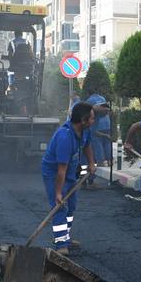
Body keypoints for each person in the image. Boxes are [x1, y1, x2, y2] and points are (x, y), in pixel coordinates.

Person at [40, 100, 97, 254]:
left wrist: (91, 162)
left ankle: (66, 237)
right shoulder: (64, 136)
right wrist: (58, 193)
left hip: (70, 170)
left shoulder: (85, 130)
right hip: (54, 173)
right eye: (91, 118)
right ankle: (60, 245)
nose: (94, 121)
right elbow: (60, 171)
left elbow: (87, 145)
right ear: (83, 120)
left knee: (71, 205)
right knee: (60, 206)